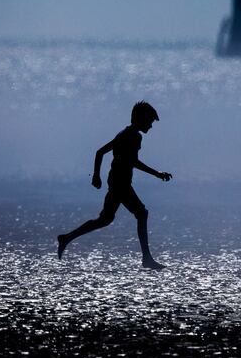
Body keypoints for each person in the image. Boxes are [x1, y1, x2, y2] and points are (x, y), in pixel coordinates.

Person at [57, 101, 172, 269]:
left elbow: (100, 152)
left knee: (105, 219)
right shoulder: (133, 136)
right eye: (150, 121)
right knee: (141, 213)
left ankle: (66, 238)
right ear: (141, 119)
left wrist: (97, 176)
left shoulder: (124, 133)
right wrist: (157, 174)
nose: (151, 126)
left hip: (116, 181)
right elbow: (133, 162)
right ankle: (146, 258)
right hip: (120, 183)